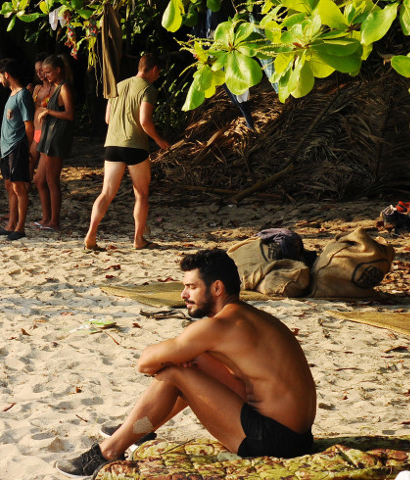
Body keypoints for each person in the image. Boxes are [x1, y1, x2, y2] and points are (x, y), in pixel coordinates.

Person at [55, 249, 316, 478]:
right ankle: (139, 429)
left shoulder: (219, 325)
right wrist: (192, 358)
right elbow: (237, 380)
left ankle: (108, 451)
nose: (183, 294)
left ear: (216, 288)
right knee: (195, 362)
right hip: (298, 438)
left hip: (272, 442)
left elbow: (145, 364)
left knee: (174, 373)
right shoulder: (252, 317)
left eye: (191, 287)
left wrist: (178, 358)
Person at [83, 54, 171, 251]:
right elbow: (145, 121)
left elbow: (107, 118)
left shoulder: (119, 86)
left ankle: (91, 235)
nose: (158, 76)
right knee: (141, 194)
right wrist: (159, 140)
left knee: (106, 193)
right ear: (154, 69)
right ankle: (138, 239)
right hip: (135, 145)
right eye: (159, 72)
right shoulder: (148, 89)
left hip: (112, 144)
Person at [0, 58, 34, 241]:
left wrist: (28, 149)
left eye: (0, 76)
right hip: (6, 148)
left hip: (17, 147)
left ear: (6, 75)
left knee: (19, 187)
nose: (0, 80)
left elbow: (29, 125)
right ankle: (10, 225)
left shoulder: (23, 95)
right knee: (9, 186)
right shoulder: (12, 94)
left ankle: (20, 227)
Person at [34, 54, 74, 231]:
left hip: (57, 138)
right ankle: (46, 217)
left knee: (52, 181)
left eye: (49, 72)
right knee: (39, 179)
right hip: (47, 136)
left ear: (58, 70)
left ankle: (54, 221)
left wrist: (49, 113)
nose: (46, 75)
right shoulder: (55, 87)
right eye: (44, 72)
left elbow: (69, 114)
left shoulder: (64, 88)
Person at [28, 53, 53, 178]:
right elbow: (32, 110)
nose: (39, 73)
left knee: (46, 169)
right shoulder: (37, 88)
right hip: (36, 131)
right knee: (30, 161)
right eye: (37, 71)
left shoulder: (55, 88)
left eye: (41, 70)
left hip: (48, 132)